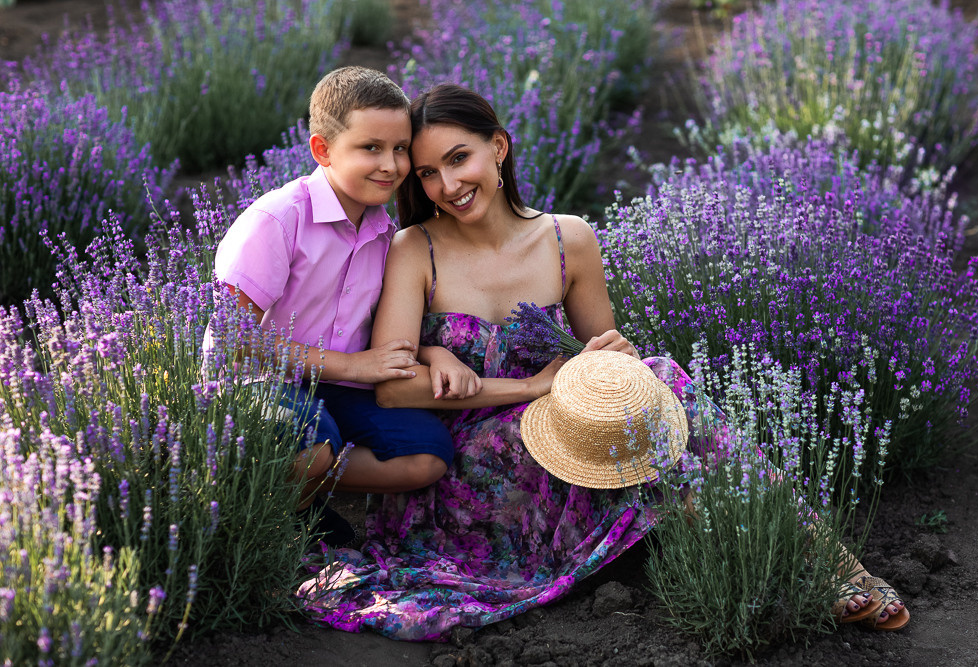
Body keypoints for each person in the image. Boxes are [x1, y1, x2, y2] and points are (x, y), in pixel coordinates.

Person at [297, 83, 908, 636]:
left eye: (460, 159)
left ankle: (808, 564)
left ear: (499, 148)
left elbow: (601, 360)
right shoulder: (415, 247)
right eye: (427, 172)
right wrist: (530, 387)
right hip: (470, 467)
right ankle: (809, 573)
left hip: (566, 434)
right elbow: (395, 393)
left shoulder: (569, 239)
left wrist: (618, 359)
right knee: (676, 436)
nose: (448, 185)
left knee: (663, 383)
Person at [209, 67, 454, 546]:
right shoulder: (278, 220)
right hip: (256, 380)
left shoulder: (387, 233)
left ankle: (302, 493)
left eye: (400, 148)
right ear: (322, 150)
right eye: (371, 148)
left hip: (336, 385)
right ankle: (264, 524)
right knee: (314, 445)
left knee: (427, 456)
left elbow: (390, 326)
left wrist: (433, 354)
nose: (390, 165)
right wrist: (353, 366)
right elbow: (231, 339)